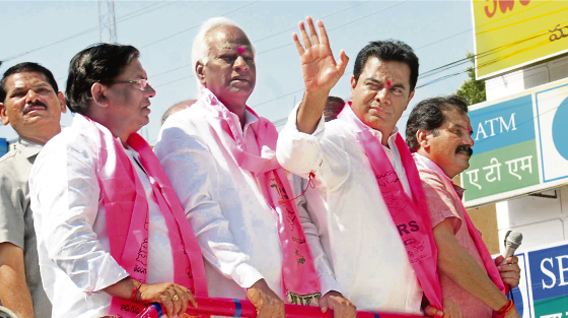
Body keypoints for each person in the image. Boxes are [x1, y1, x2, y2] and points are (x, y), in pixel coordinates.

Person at [154, 17, 355, 318]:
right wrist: (251, 280)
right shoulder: (183, 129)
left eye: (248, 58)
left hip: (284, 305)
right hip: (230, 305)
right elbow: (200, 215)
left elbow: (298, 217)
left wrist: (328, 287)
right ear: (200, 70)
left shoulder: (265, 135)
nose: (241, 65)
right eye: (227, 57)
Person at [276, 17, 444, 315]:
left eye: (396, 90)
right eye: (373, 84)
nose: (382, 97)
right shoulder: (337, 140)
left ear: (409, 99)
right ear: (352, 85)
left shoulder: (402, 157)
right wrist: (316, 93)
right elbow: (294, 155)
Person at [29, 44, 207, 318]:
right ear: (100, 93)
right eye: (139, 81)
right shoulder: (69, 149)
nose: (151, 92)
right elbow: (68, 239)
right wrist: (138, 290)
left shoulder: (139, 157)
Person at [406, 95, 521, 318]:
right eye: (457, 131)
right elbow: (446, 253)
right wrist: (503, 306)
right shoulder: (423, 180)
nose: (470, 142)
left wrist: (495, 276)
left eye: (469, 133)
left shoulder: (437, 183)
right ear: (424, 137)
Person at [0, 62, 67, 318]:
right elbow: (8, 266)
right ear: (3, 114)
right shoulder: (6, 175)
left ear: (61, 102)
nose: (32, 98)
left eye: (41, 89)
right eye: (18, 94)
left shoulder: (97, 156)